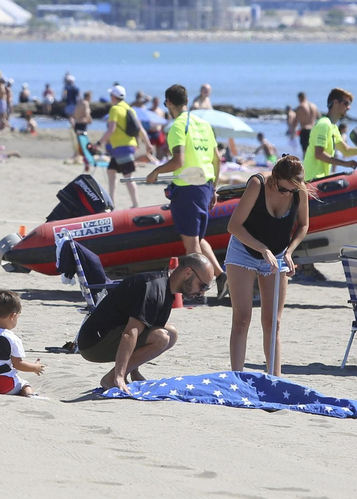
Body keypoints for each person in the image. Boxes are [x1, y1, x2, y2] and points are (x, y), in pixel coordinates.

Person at [224, 155, 309, 375]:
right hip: (244, 251)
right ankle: (237, 377)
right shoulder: (257, 184)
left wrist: (290, 252)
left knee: (273, 322)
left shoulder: (298, 190)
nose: (288, 194)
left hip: (278, 254)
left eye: (293, 190)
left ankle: (275, 379)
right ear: (275, 178)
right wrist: (262, 249)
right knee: (242, 318)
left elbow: (304, 225)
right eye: (284, 190)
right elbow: (233, 226)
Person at [77, 254, 209, 392]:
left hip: (110, 334)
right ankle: (111, 378)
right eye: (202, 286)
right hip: (92, 343)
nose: (202, 293)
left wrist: (134, 372)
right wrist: (119, 376)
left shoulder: (166, 288)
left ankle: (130, 372)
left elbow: (144, 329)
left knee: (172, 332)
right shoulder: (154, 288)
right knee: (161, 337)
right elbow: (130, 333)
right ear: (188, 272)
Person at [146, 84, 223, 279]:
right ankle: (222, 276)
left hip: (188, 188)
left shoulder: (177, 126)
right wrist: (213, 189)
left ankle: (200, 285)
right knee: (197, 238)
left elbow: (177, 161)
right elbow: (216, 159)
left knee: (192, 245)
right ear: (187, 101)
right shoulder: (204, 124)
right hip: (205, 185)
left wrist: (156, 171)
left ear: (169, 102)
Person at [0, 290, 44, 396]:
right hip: (6, 384)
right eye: (18, 316)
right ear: (12, 316)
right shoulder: (13, 338)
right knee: (24, 384)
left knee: (6, 380)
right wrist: (35, 367)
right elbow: (18, 364)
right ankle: (30, 395)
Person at [101, 85, 149, 209]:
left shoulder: (115, 109)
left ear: (113, 96)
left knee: (128, 177)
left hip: (121, 148)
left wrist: (100, 142)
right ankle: (112, 202)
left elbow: (111, 129)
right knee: (111, 171)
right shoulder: (130, 109)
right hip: (123, 148)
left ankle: (135, 204)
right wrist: (148, 144)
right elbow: (140, 129)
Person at [303, 88, 357, 180]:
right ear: (335, 103)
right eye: (346, 103)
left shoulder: (333, 127)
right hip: (312, 179)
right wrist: (345, 164)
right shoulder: (324, 125)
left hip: (320, 178)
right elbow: (319, 154)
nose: (349, 107)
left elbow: (346, 150)